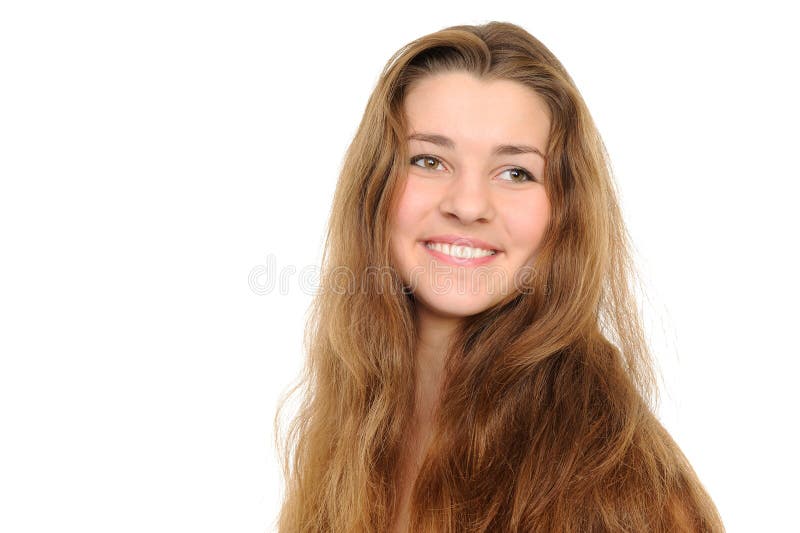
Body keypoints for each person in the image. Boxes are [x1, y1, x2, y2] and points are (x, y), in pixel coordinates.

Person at [274, 21, 724, 532]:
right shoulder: (348, 432)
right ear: (374, 188)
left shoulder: (621, 486)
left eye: (515, 172)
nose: (467, 205)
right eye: (429, 160)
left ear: (563, 212)